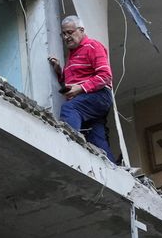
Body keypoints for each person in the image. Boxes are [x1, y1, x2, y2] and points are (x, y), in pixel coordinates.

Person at [48, 15, 115, 162]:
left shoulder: (93, 46)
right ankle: (115, 170)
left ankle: (68, 150)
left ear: (81, 30)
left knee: (69, 109)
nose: (66, 37)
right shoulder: (72, 55)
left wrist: (80, 88)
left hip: (99, 95)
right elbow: (73, 82)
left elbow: (105, 76)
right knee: (96, 139)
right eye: (63, 34)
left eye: (70, 32)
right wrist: (60, 71)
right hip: (87, 101)